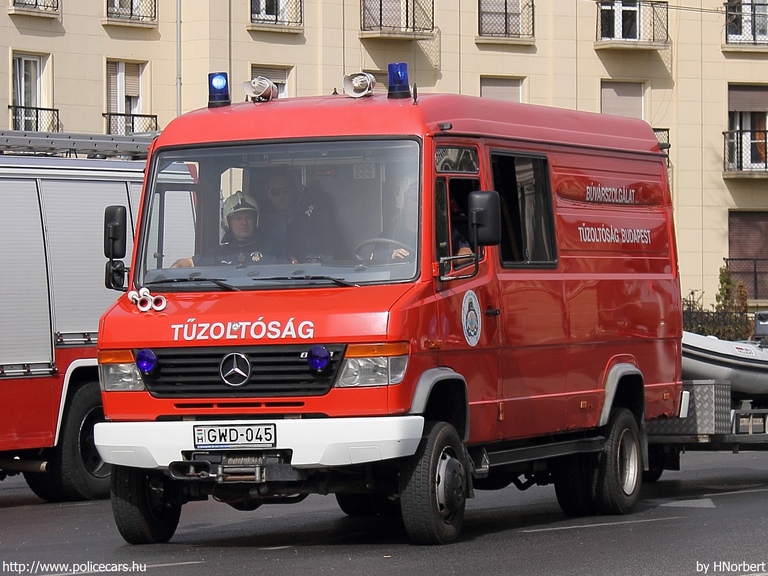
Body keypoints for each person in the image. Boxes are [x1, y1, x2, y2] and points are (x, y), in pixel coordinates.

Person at [171, 191, 273, 267]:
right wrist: (175, 269)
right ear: (227, 222)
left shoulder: (273, 253)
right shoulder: (217, 255)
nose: (244, 223)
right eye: (238, 218)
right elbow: (189, 263)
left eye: (249, 218)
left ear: (256, 220)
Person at [259, 169, 340, 262]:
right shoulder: (263, 226)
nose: (281, 196)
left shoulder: (311, 222)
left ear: (294, 191)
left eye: (286, 191)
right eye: (275, 192)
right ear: (269, 195)